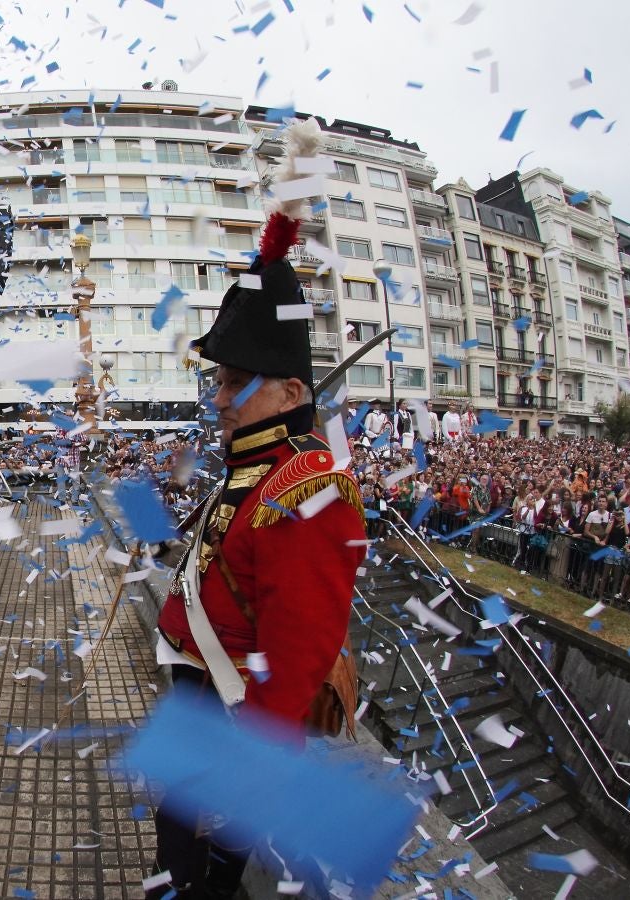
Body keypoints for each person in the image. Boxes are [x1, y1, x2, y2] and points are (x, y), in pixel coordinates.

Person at [148, 123, 366, 900]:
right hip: (198, 682)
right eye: (220, 381)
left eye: (237, 382)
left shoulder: (307, 491)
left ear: (292, 394)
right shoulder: (255, 473)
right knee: (175, 824)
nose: (219, 399)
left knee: (207, 850)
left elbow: (302, 646)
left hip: (237, 706)